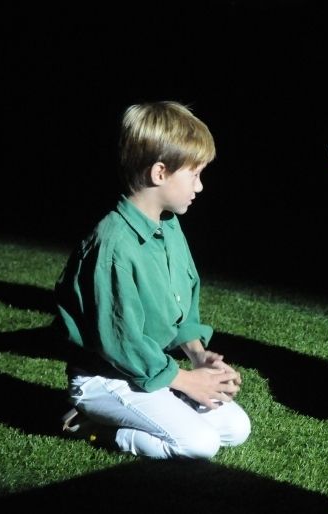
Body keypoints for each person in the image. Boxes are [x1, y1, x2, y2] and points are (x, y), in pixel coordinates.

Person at [54, 101, 251, 459]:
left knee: (235, 429)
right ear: (160, 173)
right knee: (200, 444)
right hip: (106, 379)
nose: (201, 186)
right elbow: (121, 341)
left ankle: (145, 411)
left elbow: (181, 304)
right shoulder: (113, 246)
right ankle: (95, 428)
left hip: (150, 371)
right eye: (195, 174)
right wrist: (187, 382)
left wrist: (198, 356)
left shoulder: (169, 226)